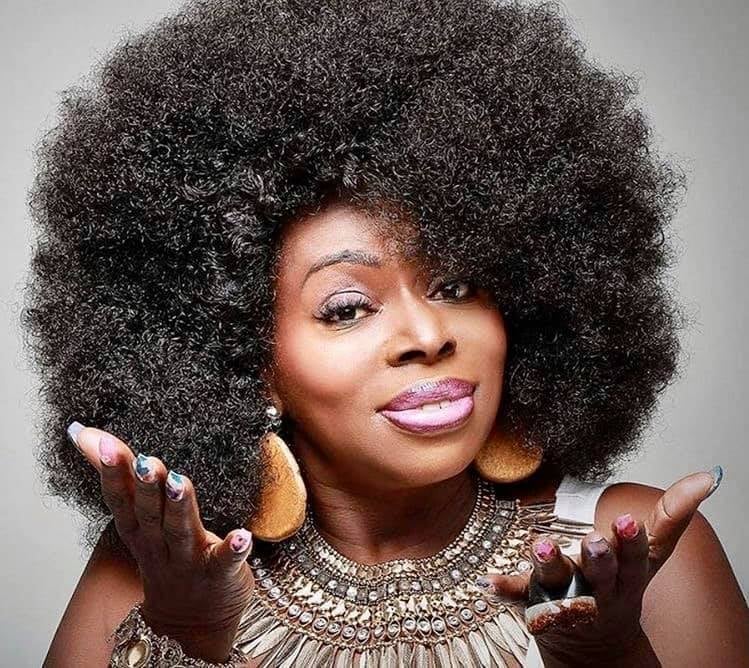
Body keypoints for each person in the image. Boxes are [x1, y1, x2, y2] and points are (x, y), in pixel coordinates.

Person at [21, 0, 749, 666]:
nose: (428, 333)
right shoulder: (163, 572)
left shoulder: (633, 553)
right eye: (346, 308)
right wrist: (188, 637)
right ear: (246, 362)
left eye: (455, 285)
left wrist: (609, 657)